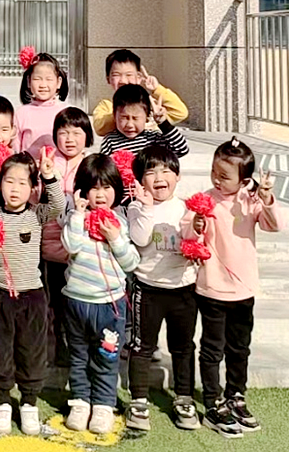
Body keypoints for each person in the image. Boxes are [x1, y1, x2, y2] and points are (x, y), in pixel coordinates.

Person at [182, 137, 282, 438]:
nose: (217, 179)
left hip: (243, 289)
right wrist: (195, 226)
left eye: (225, 176)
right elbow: (187, 233)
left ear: (244, 179)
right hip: (212, 288)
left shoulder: (249, 201)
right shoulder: (204, 200)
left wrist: (266, 197)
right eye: (214, 172)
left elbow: (273, 225)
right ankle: (213, 402)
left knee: (239, 348)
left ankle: (236, 395)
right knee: (212, 350)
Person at [0, 151, 64, 436]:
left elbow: (58, 205)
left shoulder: (37, 214)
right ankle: (2, 400)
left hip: (32, 296)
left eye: (22, 183)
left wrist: (49, 175)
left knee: (32, 351)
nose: (14, 189)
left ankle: (29, 401)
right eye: (9, 181)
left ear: (32, 188)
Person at [61, 154, 140, 435]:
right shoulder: (75, 219)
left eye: (106, 187)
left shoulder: (121, 222)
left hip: (110, 306)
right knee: (78, 356)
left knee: (107, 356)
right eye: (93, 188)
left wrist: (115, 238)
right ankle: (80, 402)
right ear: (82, 191)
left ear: (116, 189)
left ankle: (104, 404)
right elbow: (71, 247)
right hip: (77, 301)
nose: (100, 194)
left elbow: (131, 263)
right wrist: (78, 215)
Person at [125, 146, 200, 432]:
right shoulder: (136, 207)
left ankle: (184, 398)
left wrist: (197, 229)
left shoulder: (186, 208)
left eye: (166, 170)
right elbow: (140, 238)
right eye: (151, 172)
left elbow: (195, 239)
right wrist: (145, 208)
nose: (159, 177)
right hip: (148, 288)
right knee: (142, 346)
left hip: (184, 288)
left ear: (177, 176)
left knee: (183, 346)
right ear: (140, 180)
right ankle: (138, 400)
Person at [41, 107, 94, 366]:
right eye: (63, 133)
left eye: (76, 133)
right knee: (56, 300)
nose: (69, 139)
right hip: (51, 245)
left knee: (79, 299)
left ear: (88, 136)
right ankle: (60, 348)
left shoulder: (92, 164)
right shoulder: (48, 163)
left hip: (81, 248)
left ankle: (81, 346)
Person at [91, 49, 188, 137]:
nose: (123, 81)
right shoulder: (106, 106)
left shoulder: (150, 105)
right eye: (116, 75)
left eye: (129, 75)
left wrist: (157, 89)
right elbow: (99, 128)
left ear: (138, 77)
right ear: (108, 79)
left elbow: (180, 113)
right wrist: (121, 111)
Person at [100, 84, 189, 158]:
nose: (130, 125)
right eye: (124, 118)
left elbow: (181, 149)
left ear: (147, 117)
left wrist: (163, 123)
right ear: (114, 116)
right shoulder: (110, 142)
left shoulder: (153, 139)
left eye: (135, 118)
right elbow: (103, 170)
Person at [13, 52, 69, 158]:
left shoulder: (66, 112)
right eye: (37, 79)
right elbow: (15, 149)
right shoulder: (21, 114)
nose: (43, 85)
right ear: (29, 81)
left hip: (59, 167)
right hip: (28, 166)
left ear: (59, 82)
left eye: (49, 79)